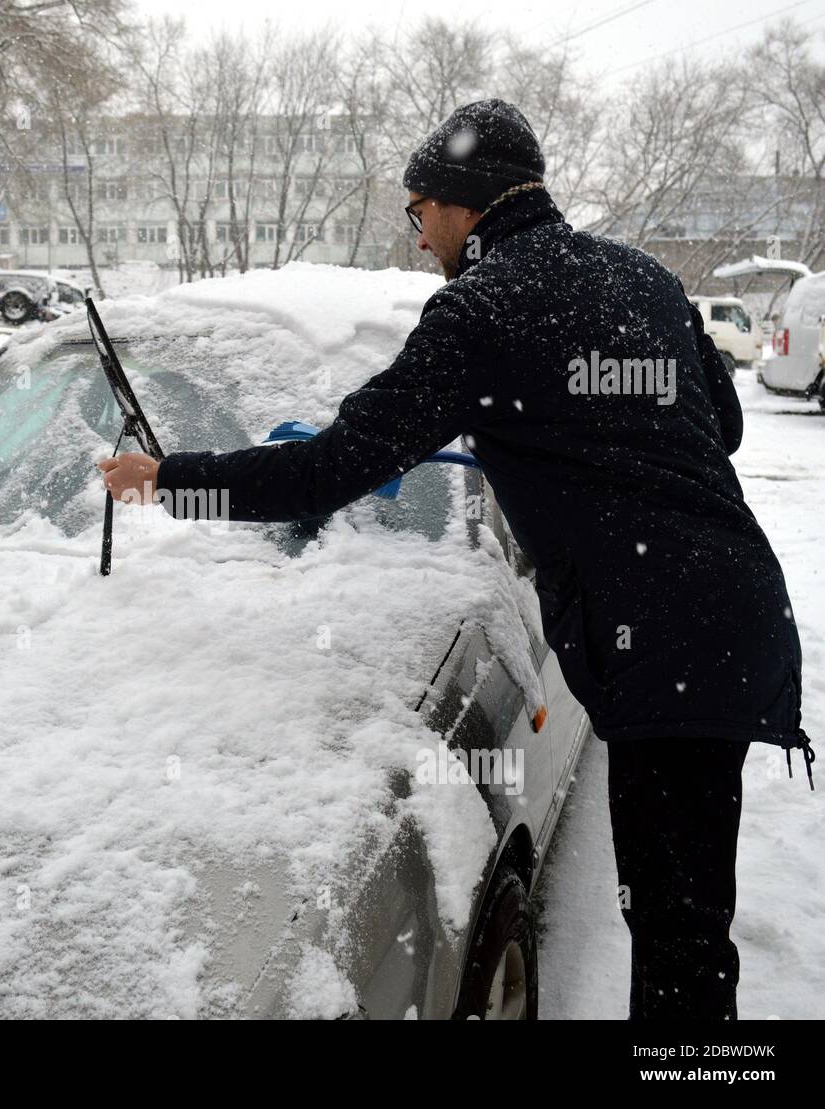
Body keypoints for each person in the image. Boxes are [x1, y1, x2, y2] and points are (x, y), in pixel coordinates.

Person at [96, 98, 815, 1020]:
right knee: (689, 926)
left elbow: (326, 472)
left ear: (459, 205)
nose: (416, 235)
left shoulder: (479, 310)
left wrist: (169, 478)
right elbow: (727, 425)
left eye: (417, 211)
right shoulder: (640, 278)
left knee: (676, 938)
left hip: (663, 648)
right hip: (732, 611)